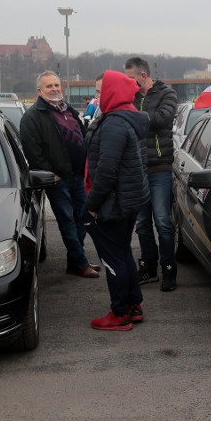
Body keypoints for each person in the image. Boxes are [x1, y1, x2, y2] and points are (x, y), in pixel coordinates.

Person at [86, 70, 150, 331]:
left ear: (112, 93)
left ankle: (120, 313)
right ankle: (134, 305)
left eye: (100, 92)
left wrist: (91, 205)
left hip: (112, 203)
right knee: (123, 253)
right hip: (127, 200)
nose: (96, 97)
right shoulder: (127, 118)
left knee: (113, 259)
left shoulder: (114, 123)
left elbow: (107, 171)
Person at [20, 70, 100, 278]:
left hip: (78, 176)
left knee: (83, 217)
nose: (55, 89)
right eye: (49, 86)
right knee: (67, 221)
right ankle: (80, 263)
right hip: (58, 180)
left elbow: (82, 137)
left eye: (57, 85)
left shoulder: (69, 110)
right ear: (40, 91)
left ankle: (76, 260)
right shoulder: (33, 116)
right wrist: (49, 173)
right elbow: (32, 150)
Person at [124, 56, 179, 291]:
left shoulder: (167, 93)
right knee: (142, 223)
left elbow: (162, 119)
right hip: (137, 169)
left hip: (160, 168)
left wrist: (133, 117)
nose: (129, 83)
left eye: (131, 78)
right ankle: (148, 266)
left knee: (163, 221)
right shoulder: (131, 96)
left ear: (143, 75)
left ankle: (169, 269)